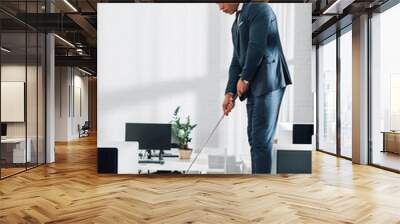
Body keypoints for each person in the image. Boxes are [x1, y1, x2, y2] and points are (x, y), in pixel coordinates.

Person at [218, 2, 292, 174]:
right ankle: (259, 181)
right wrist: (229, 93)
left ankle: (261, 187)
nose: (220, 8)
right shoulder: (236, 23)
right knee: (253, 136)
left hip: (269, 81)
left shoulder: (259, 8)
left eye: (220, 2)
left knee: (260, 140)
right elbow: (237, 60)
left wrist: (244, 78)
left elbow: (256, 47)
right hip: (254, 85)